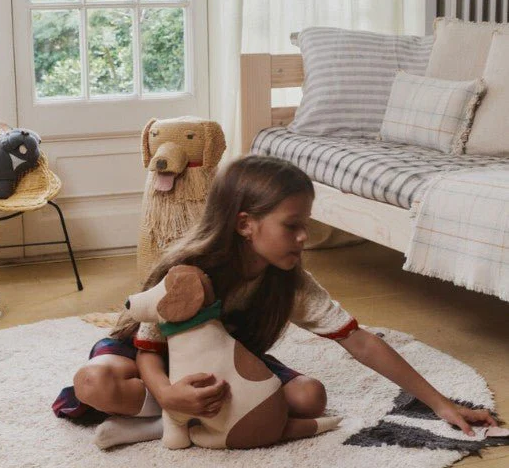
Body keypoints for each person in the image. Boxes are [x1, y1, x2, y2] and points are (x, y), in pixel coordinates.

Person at [52, 155, 497, 449]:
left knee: (309, 398)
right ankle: (169, 415)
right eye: (292, 226)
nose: (304, 237)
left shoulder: (290, 281)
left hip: (223, 363)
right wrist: (168, 393)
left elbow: (360, 341)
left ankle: (160, 424)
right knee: (94, 383)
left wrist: (440, 403)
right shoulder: (186, 269)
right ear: (245, 224)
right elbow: (149, 348)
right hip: (146, 357)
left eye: (306, 224)